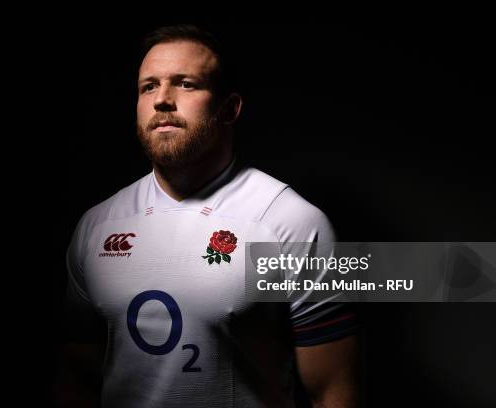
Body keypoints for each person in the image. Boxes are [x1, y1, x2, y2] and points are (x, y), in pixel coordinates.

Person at [61, 24, 360, 407]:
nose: (162, 100)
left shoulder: (290, 223)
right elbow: (74, 377)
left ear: (229, 107)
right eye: (148, 86)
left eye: (185, 84)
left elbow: (334, 394)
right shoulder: (96, 226)